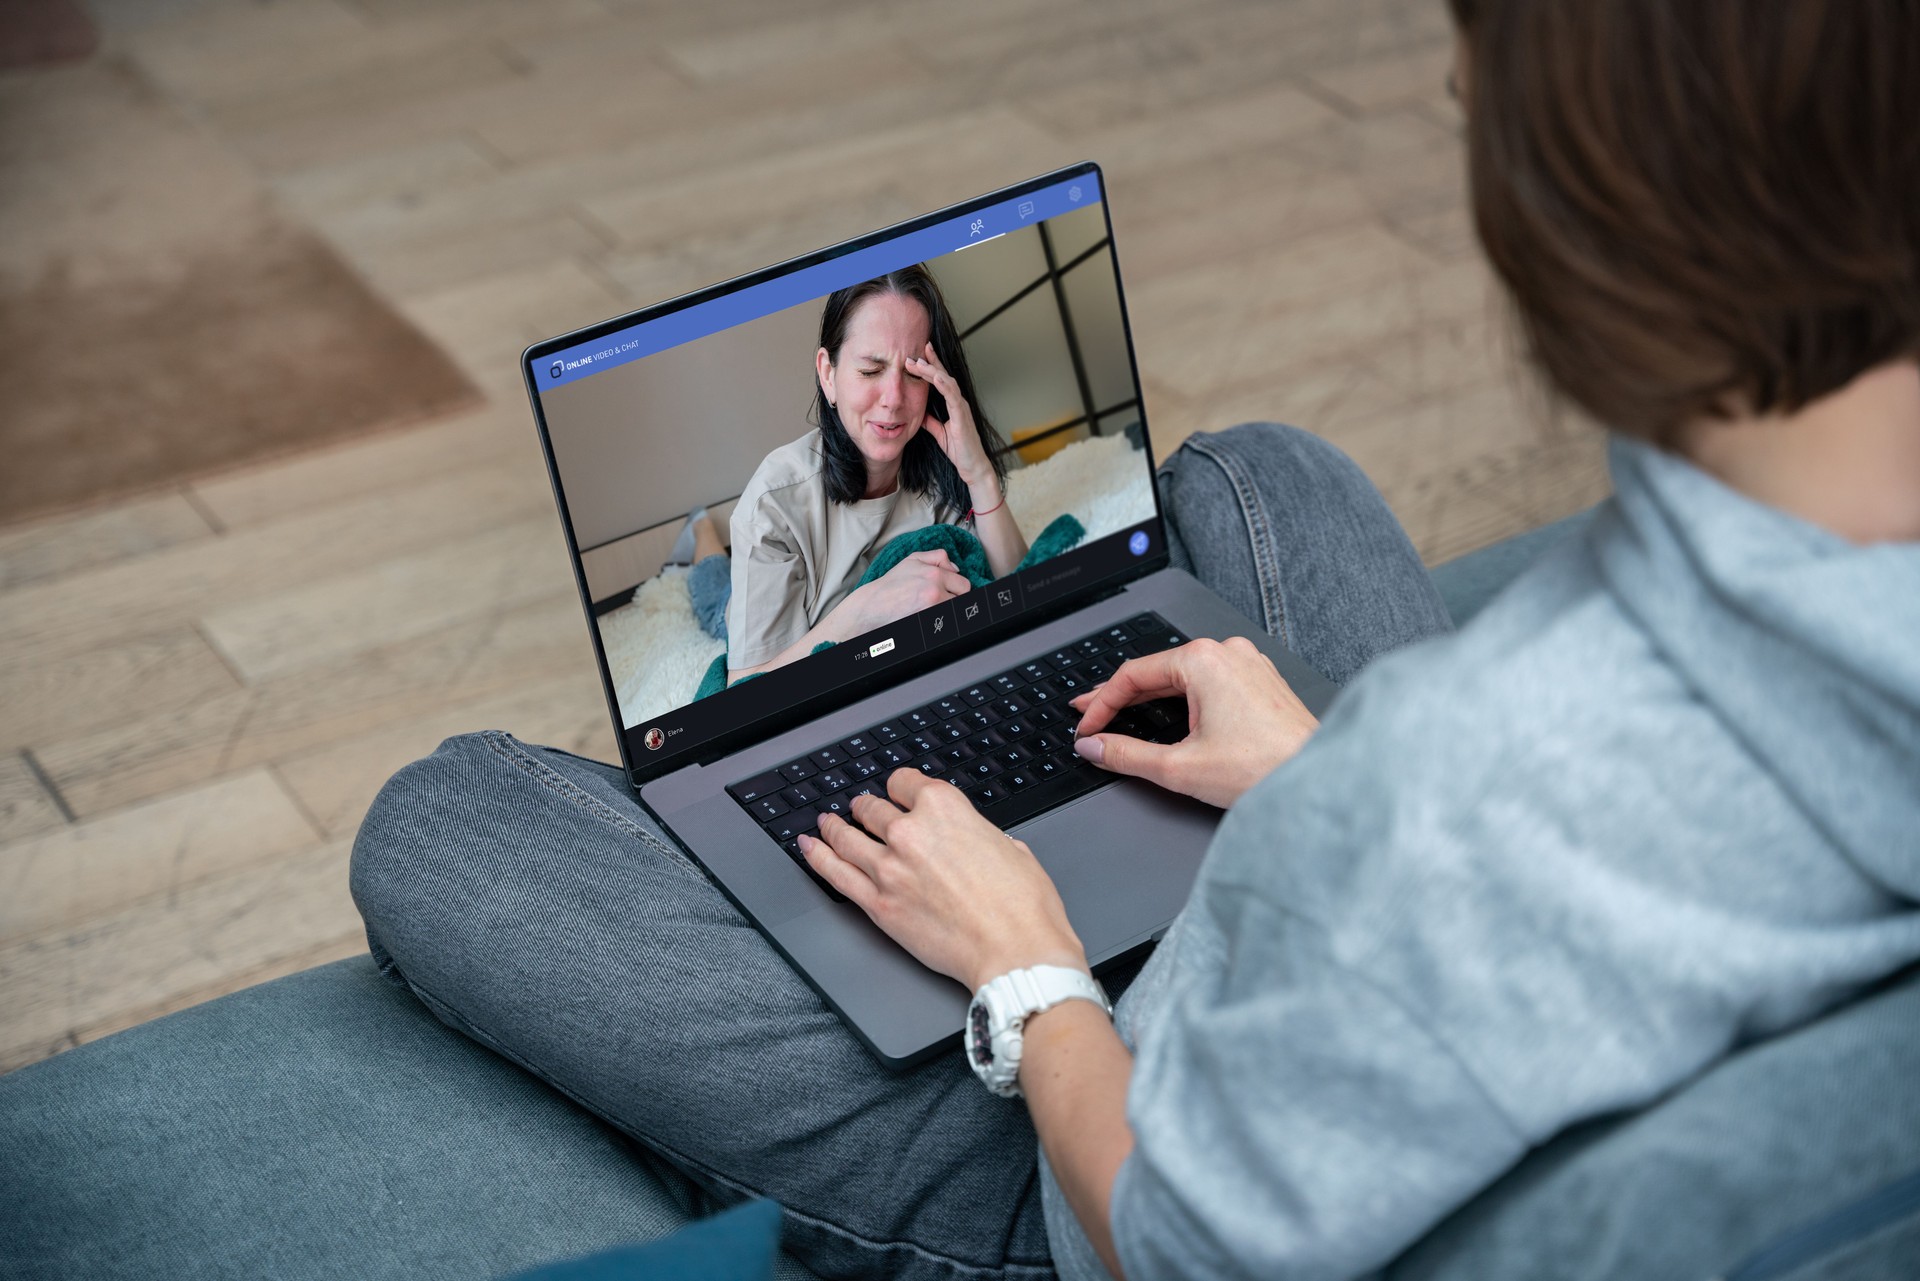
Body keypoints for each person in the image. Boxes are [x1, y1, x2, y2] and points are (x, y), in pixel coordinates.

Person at [350, 1, 1920, 1277]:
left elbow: (1173, 1237)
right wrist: (1316, 779)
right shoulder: (1500, 767)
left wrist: (1027, 962)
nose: (891, 395)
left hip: (1108, 1163)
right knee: (1263, 471)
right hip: (1343, 950)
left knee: (449, 820)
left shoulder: (1461, 783)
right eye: (866, 373)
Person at [723, 264, 1024, 681]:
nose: (894, 399)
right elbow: (746, 688)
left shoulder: (939, 468)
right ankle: (703, 537)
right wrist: (865, 608)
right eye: (870, 371)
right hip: (761, 575)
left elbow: (1019, 594)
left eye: (914, 371)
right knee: (712, 589)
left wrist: (980, 476)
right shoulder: (774, 504)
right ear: (828, 374)